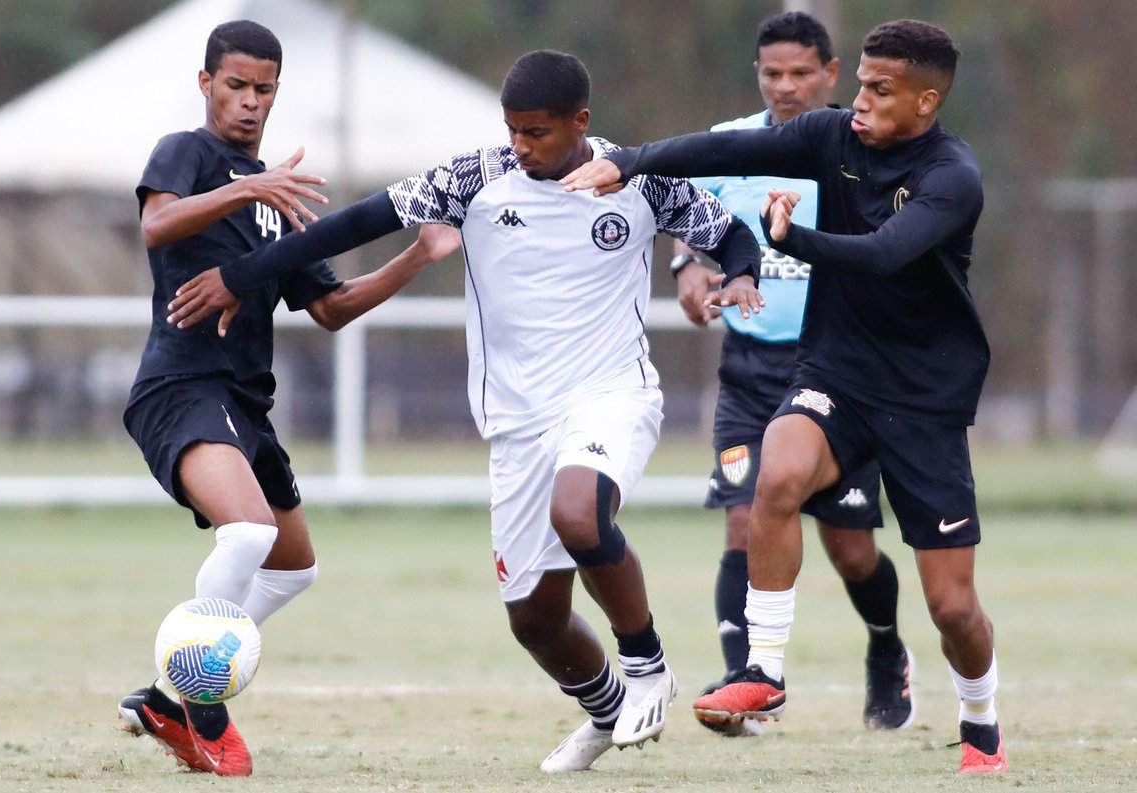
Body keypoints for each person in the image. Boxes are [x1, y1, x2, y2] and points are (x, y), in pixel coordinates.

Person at [163, 49, 763, 773]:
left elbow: (730, 233)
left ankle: (646, 666)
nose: (520, 145)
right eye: (512, 129)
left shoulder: (636, 177)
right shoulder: (473, 178)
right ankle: (606, 711)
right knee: (534, 619)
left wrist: (742, 273)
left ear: (580, 123)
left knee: (580, 514)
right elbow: (352, 226)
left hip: (611, 394)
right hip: (516, 424)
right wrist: (238, 275)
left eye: (536, 132)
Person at [562, 19, 1007, 775]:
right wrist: (629, 163)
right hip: (835, 372)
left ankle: (982, 724)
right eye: (861, 82)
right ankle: (762, 672)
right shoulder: (832, 137)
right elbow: (724, 150)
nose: (859, 100)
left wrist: (791, 238)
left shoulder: (952, 175)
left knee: (952, 607)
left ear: (927, 101)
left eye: (880, 89)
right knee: (776, 473)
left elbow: (884, 255)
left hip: (926, 400)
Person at [115, 20, 459, 777]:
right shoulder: (189, 153)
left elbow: (331, 308)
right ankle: (201, 703)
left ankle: (167, 701)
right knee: (244, 535)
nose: (247, 102)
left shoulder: (277, 196)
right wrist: (247, 184)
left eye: (262, 89)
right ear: (205, 83)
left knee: (293, 566)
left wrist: (417, 254)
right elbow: (156, 224)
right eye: (234, 86)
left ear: (277, 92)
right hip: (179, 386)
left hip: (245, 403)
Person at [669, 11, 912, 737]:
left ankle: (885, 648)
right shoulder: (729, 144)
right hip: (750, 372)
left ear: (831, 75)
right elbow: (687, 215)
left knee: (850, 546)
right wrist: (687, 265)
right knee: (743, 522)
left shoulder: (862, 151)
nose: (785, 86)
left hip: (838, 373)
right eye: (772, 73)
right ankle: (751, 685)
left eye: (800, 73)